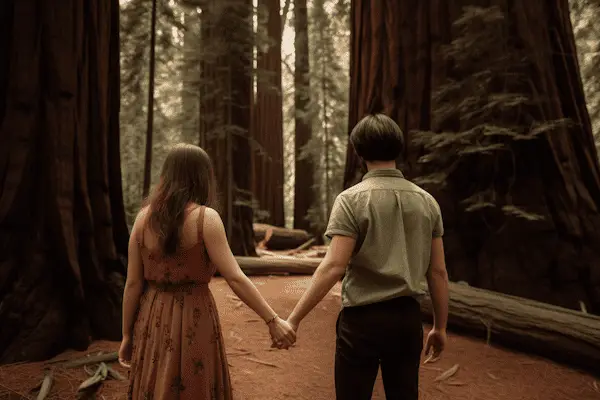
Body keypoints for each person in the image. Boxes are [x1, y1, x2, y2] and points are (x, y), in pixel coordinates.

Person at [284, 114, 449, 400]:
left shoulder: (351, 200)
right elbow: (438, 273)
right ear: (398, 148)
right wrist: (440, 326)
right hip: (407, 319)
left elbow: (334, 266)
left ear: (358, 152)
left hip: (362, 321)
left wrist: (294, 319)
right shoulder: (426, 202)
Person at [118, 143, 296, 400]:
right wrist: (272, 320)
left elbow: (133, 283)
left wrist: (126, 334)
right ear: (203, 177)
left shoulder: (143, 219)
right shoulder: (206, 219)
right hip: (194, 314)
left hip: (152, 315)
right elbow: (234, 277)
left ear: (166, 175)